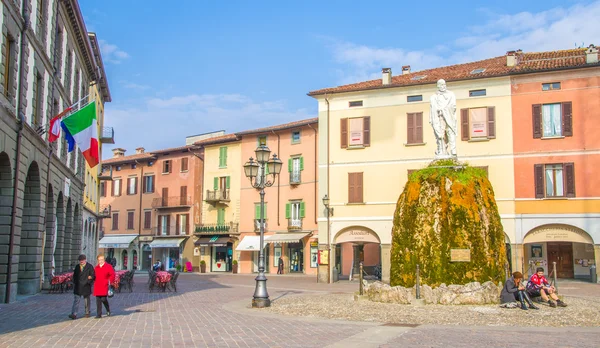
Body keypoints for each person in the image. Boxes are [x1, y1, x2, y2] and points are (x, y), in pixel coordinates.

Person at [429, 79, 457, 157]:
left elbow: (454, 107)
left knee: (450, 133)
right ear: (438, 86)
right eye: (441, 85)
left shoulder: (451, 95)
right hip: (439, 117)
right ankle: (441, 150)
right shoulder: (434, 97)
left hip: (449, 117)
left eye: (444, 84)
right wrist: (432, 118)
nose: (443, 86)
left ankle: (453, 151)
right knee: (440, 135)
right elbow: (432, 109)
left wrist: (444, 109)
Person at [68, 254, 95, 319]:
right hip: (78, 286)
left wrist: (89, 281)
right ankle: (74, 313)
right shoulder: (77, 267)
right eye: (80, 260)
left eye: (82, 260)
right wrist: (75, 282)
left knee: (86, 300)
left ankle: (87, 312)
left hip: (86, 286)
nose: (81, 261)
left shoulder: (90, 266)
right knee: (76, 300)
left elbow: (93, 275)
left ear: (85, 260)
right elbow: (74, 276)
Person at [93, 254, 115, 318]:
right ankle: (99, 314)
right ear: (98, 260)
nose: (101, 261)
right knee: (98, 300)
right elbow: (94, 276)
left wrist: (109, 281)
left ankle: (108, 309)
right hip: (97, 285)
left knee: (103, 299)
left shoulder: (108, 266)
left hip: (104, 285)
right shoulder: (96, 268)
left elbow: (112, 275)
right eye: (99, 260)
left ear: (104, 260)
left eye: (102, 259)